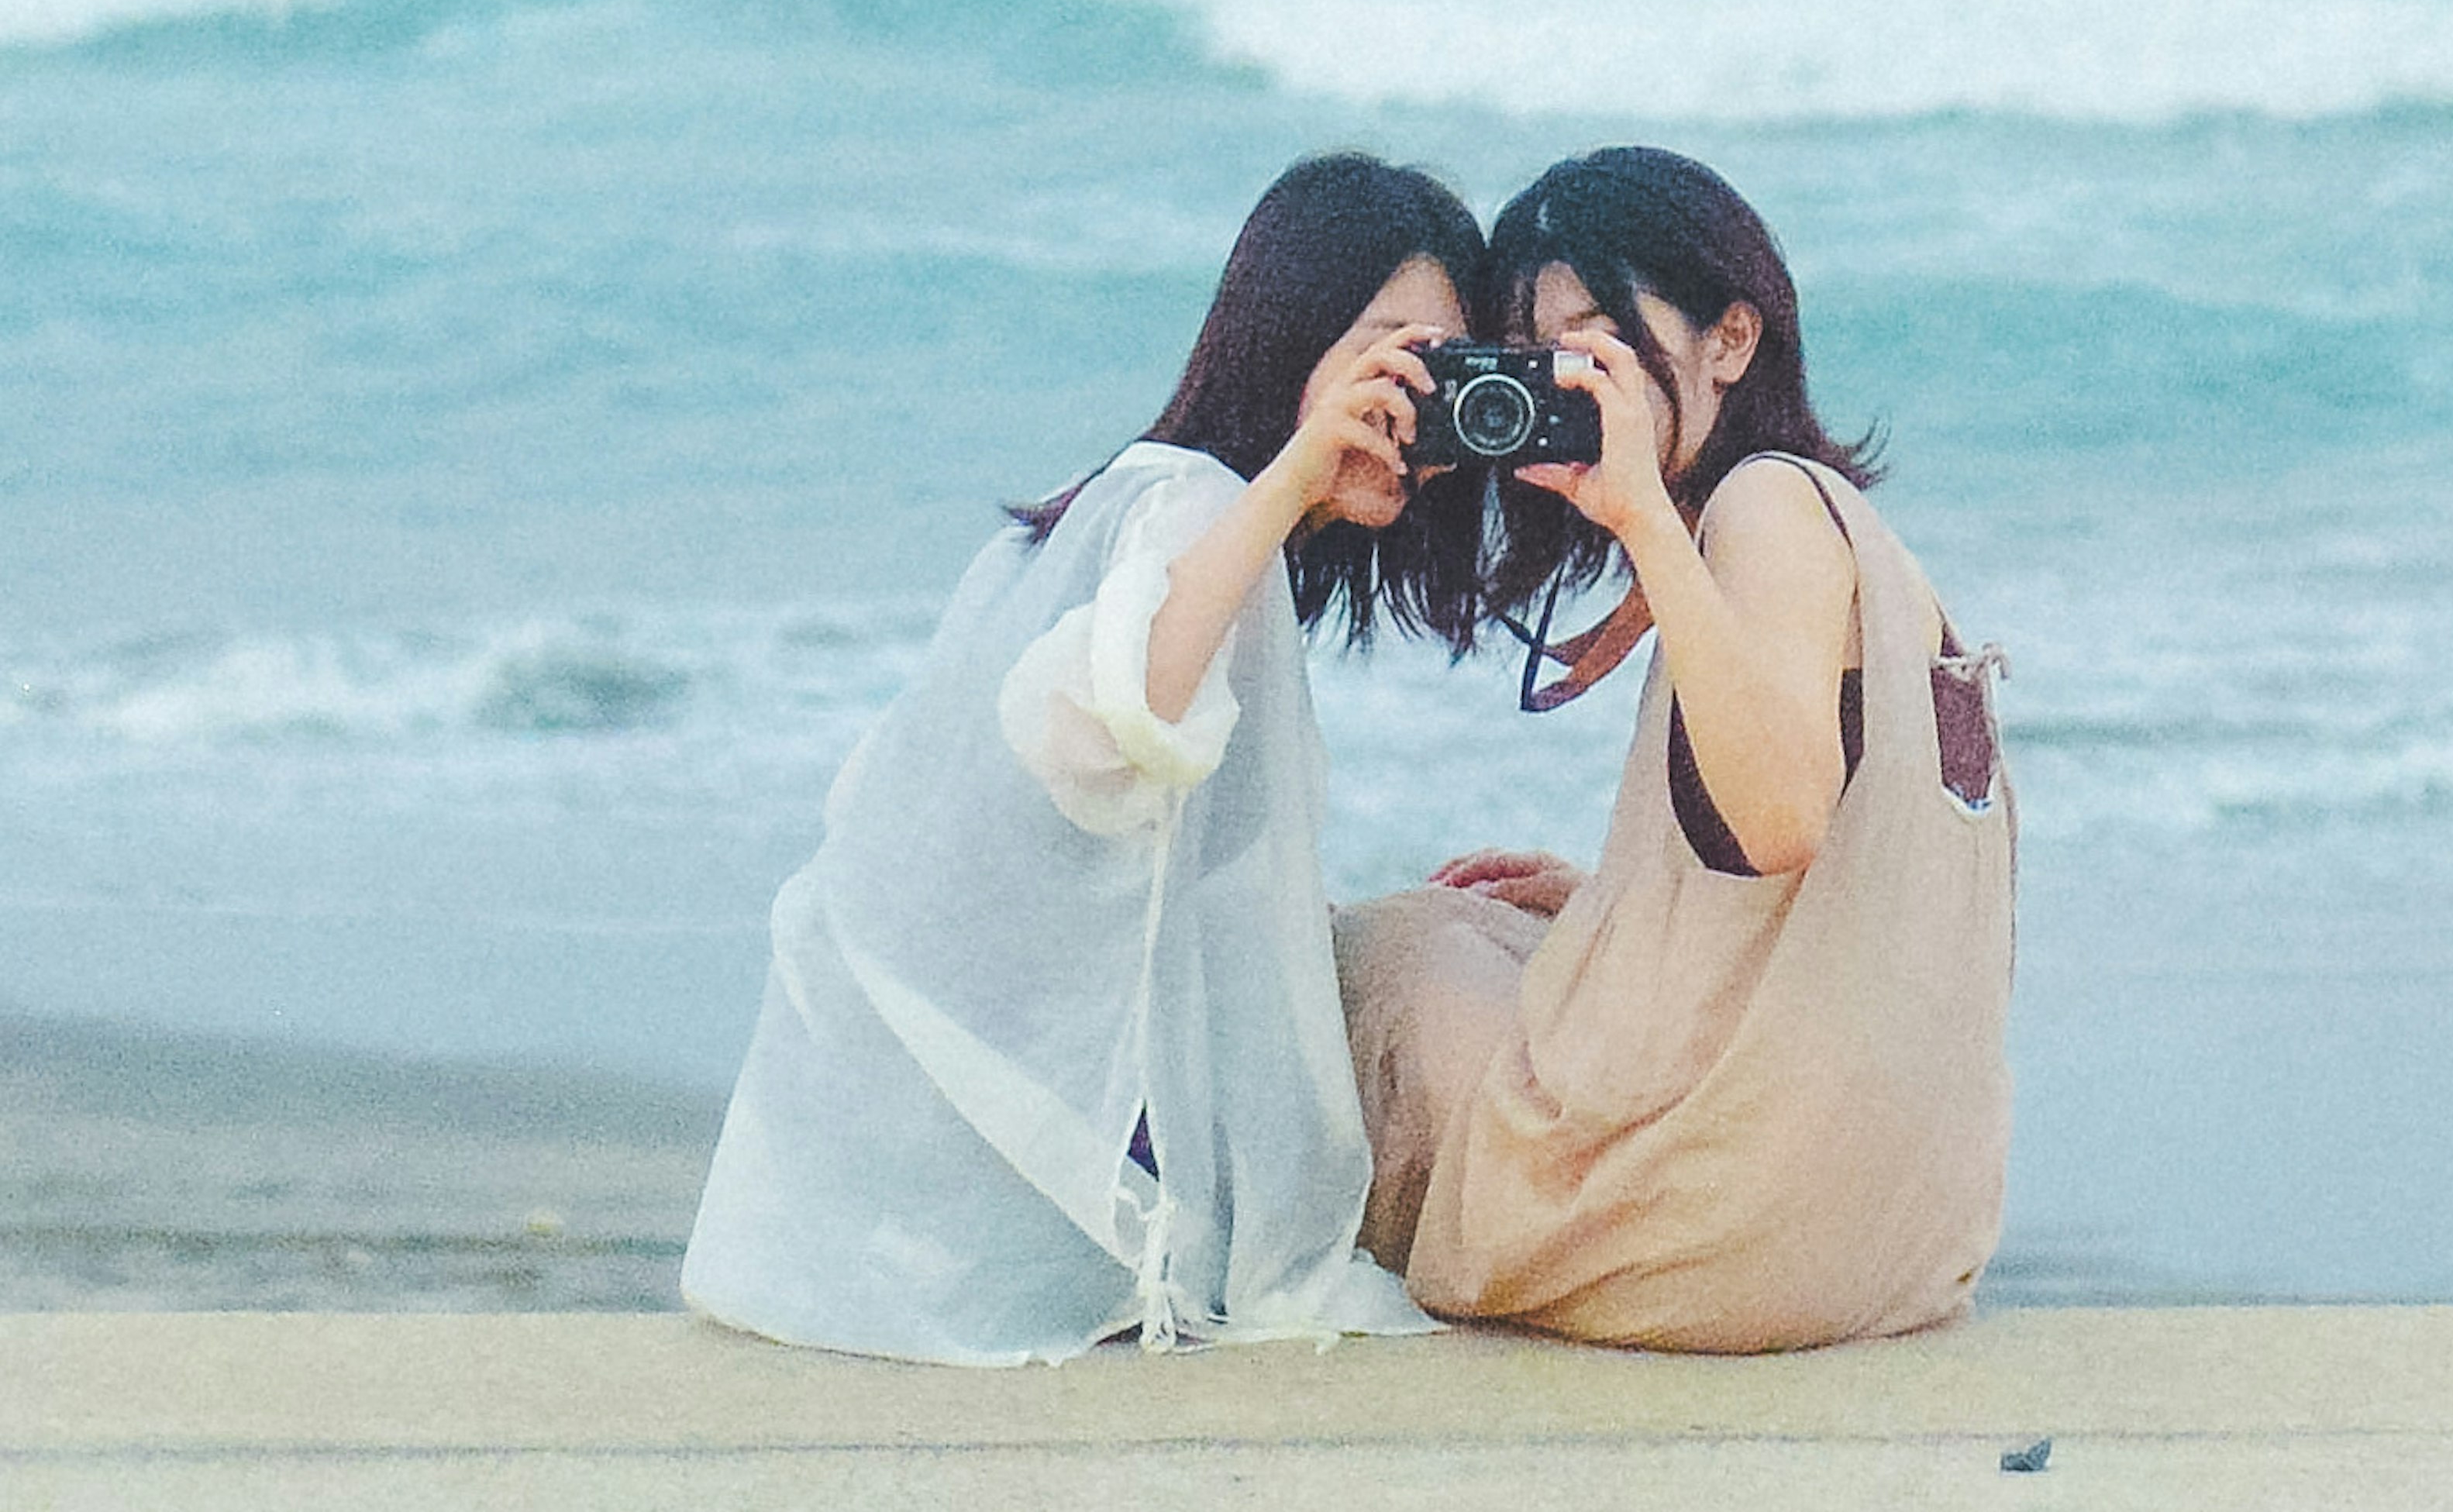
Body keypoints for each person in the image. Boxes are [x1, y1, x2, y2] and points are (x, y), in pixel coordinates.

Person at [684, 153, 1487, 1365]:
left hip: (922, 1094)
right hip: (974, 1124)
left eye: (1450, 362)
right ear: (1289, 337)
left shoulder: (1160, 506)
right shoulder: (1183, 500)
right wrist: (1292, 478)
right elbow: (1113, 723)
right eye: (1389, 346)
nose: (1412, 392)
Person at [1335, 146, 2014, 1351]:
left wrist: (1645, 514)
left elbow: (1782, 820)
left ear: (1731, 338)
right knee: (1512, 930)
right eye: (1544, 349)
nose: (1571, 374)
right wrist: (1622, 902)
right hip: (1900, 1238)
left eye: (1597, 335)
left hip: (1729, 1241)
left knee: (1385, 948)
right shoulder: (1857, 548)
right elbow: (1844, 891)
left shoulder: (1763, 506)